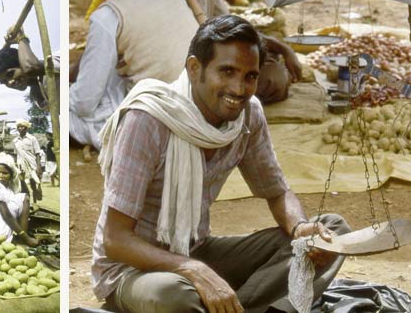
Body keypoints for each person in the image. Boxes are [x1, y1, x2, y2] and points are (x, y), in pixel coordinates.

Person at [91, 16, 348, 313]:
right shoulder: (148, 120)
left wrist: (301, 227)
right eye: (226, 72)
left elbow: (277, 192)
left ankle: (237, 307)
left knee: (331, 234)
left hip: (195, 251)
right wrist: (193, 270)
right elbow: (116, 239)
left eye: (249, 76)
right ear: (194, 68)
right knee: (175, 297)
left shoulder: (247, 115)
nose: (238, 89)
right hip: (133, 270)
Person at [69, 0, 301, 162]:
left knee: (73, 112)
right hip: (204, 100)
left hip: (171, 115)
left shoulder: (107, 17)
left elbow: (84, 103)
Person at [0, 28, 60, 111]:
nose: (10, 82)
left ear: (21, 63)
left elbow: (31, 68)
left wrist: (21, 38)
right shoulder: (36, 94)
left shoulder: (55, 60)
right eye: (4, 82)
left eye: (10, 74)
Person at [12, 119, 44, 204]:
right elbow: (16, 154)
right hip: (21, 165)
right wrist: (15, 165)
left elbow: (37, 153)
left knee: (34, 182)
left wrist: (39, 166)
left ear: (26, 128)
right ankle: (27, 202)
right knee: (22, 183)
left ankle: (35, 201)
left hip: (32, 164)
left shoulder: (32, 139)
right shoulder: (15, 141)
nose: (20, 128)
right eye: (19, 127)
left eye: (22, 127)